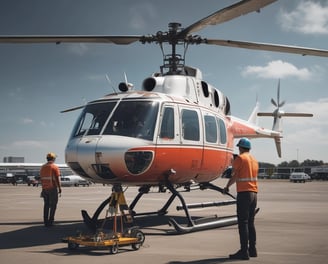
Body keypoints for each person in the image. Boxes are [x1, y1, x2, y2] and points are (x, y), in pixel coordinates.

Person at [223, 138, 259, 260]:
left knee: (242, 223)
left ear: (241, 148)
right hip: (254, 194)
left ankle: (244, 252)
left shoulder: (240, 158)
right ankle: (252, 250)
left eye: (239, 147)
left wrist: (227, 186)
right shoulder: (254, 160)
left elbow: (234, 174)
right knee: (250, 222)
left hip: (244, 194)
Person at [40, 152, 62, 227]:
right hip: (52, 188)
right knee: (53, 205)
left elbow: (42, 178)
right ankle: (51, 221)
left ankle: (45, 221)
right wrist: (60, 188)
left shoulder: (43, 167)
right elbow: (57, 179)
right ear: (53, 158)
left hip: (44, 188)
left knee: (46, 205)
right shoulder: (54, 167)